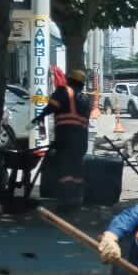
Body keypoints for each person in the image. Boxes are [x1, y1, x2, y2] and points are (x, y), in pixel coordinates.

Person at [38, 66, 92, 211]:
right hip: (81, 139)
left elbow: (51, 107)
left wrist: (40, 116)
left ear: (69, 80)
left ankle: (65, 202)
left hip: (66, 137)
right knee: (77, 169)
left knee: (65, 170)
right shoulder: (86, 98)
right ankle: (77, 200)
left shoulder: (63, 92)